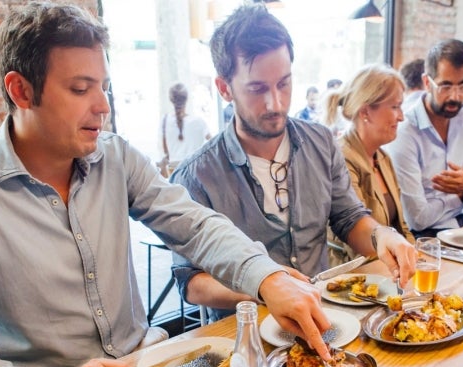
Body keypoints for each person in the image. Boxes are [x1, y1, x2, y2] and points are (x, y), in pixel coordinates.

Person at [0, 2, 341, 367]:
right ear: (20, 90)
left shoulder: (115, 156)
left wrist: (268, 277)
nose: (103, 105)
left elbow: (194, 224)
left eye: (103, 86)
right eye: (79, 89)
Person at [170, 5, 416, 323]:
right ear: (224, 88)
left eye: (284, 84)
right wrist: (266, 288)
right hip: (245, 334)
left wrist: (382, 236)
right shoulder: (197, 176)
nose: (275, 103)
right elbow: (191, 282)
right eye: (257, 89)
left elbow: (348, 218)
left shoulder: (321, 143)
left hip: (327, 318)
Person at [385, 39, 463, 237]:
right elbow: (416, 219)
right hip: (427, 239)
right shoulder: (406, 131)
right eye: (445, 86)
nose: (455, 96)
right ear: (427, 82)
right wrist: (461, 194)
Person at [324, 64, 415, 265]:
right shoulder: (341, 159)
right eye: (395, 107)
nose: (401, 116)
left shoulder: (382, 156)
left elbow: (401, 227)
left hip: (388, 270)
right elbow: (356, 244)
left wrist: (416, 259)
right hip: (358, 276)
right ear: (366, 111)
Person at [158, 83, 211, 176]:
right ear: (187, 99)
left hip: (173, 175)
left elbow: (163, 151)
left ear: (171, 100)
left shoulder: (164, 121)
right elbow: (213, 145)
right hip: (196, 174)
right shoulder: (199, 122)